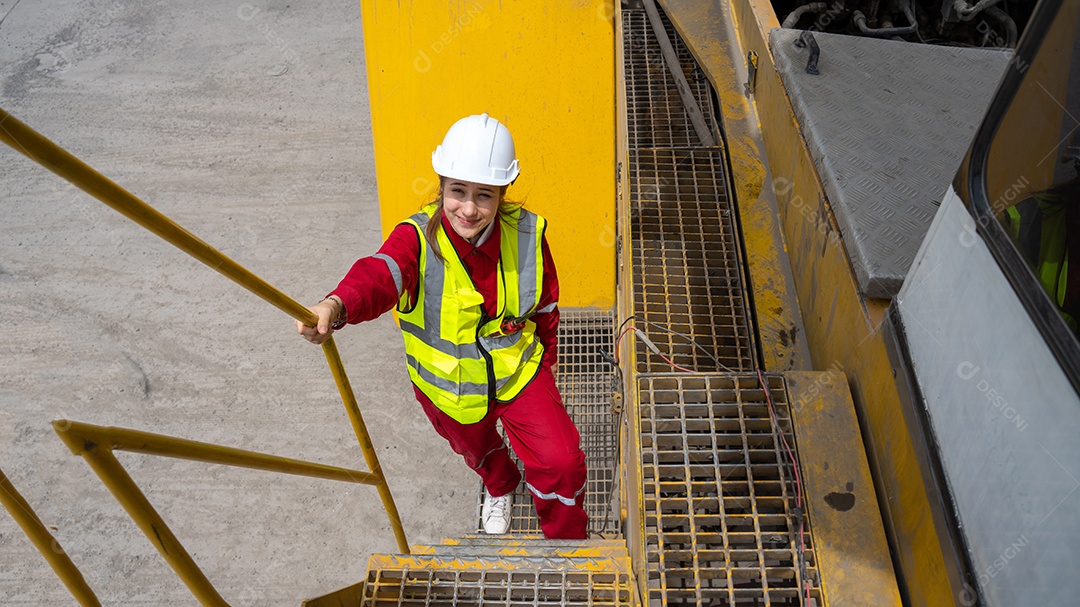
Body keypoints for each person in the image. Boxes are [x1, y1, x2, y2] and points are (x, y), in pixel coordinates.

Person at [296, 114, 588, 539]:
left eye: (484, 194)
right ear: (442, 186)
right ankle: (500, 485)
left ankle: (567, 546)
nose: (469, 209)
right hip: (448, 387)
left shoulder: (526, 234)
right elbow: (381, 274)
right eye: (458, 191)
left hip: (519, 373)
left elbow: (546, 305)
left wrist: (549, 364)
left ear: (503, 193)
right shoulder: (416, 239)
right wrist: (336, 305)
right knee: (480, 450)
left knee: (561, 461)